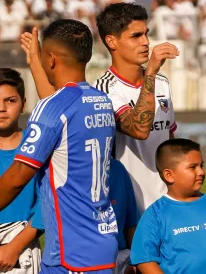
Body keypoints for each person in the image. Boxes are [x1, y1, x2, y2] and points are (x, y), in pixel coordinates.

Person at [20, 3, 180, 213]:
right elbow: (139, 129)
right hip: (126, 209)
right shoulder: (103, 90)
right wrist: (150, 72)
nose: (146, 42)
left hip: (166, 204)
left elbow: (169, 141)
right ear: (111, 41)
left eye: (146, 34)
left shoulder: (162, 82)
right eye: (136, 36)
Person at [0, 19, 118, 273]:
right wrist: (33, 60)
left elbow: (18, 177)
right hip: (102, 242)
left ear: (51, 60)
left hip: (70, 252)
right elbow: (59, 110)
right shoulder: (101, 100)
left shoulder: (54, 107)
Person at [130, 138, 206, 274]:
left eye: (201, 165)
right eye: (192, 167)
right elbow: (145, 260)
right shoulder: (155, 214)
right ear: (169, 175)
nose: (201, 172)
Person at [0, 68, 42, 274]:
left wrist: (14, 248)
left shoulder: (37, 148)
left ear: (24, 103)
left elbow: (48, 204)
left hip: (23, 251)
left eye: (10, 100)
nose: (1, 108)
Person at [108, 159, 140, 274]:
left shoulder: (117, 168)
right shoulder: (63, 169)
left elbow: (131, 223)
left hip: (120, 258)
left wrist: (136, 262)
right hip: (78, 259)